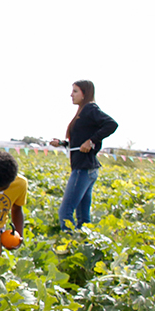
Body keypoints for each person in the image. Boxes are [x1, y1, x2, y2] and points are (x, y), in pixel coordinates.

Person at [50, 80, 118, 230]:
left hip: (83, 168)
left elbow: (111, 124)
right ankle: (84, 245)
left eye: (75, 91)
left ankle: (69, 246)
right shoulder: (83, 111)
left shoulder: (90, 109)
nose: (71, 95)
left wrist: (92, 140)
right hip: (88, 168)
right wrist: (62, 143)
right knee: (83, 217)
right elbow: (79, 143)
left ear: (85, 93)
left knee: (65, 212)